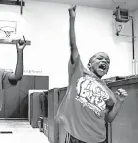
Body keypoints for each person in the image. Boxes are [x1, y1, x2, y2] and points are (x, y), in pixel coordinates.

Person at [55, 6, 128, 143]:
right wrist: (72, 19)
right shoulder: (79, 72)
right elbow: (73, 46)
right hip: (76, 138)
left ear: (107, 70)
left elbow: (109, 119)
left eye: (107, 61)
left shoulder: (109, 93)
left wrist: (119, 101)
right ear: (89, 64)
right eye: (100, 58)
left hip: (99, 139)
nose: (104, 61)